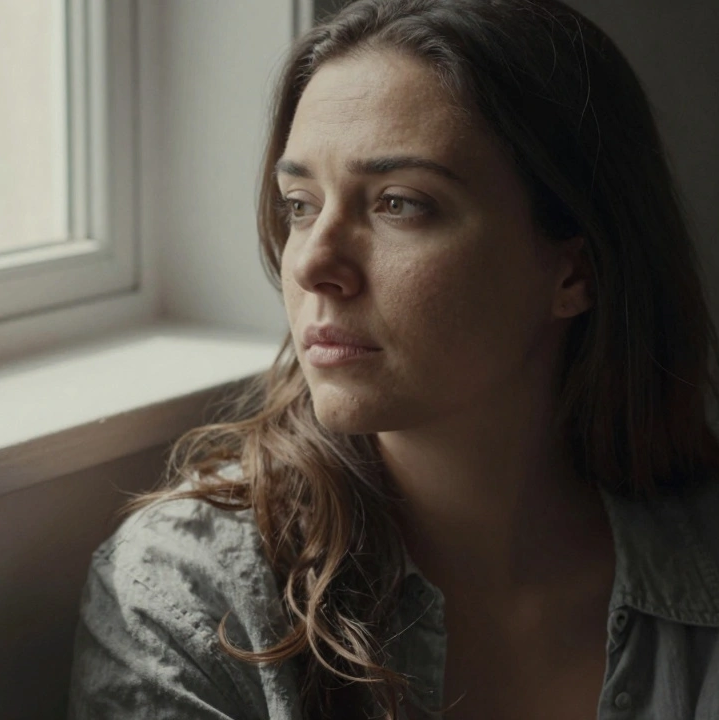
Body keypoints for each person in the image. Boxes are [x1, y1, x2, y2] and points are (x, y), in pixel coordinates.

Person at [67, 0, 719, 718]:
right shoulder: (196, 592)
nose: (314, 263)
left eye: (399, 204)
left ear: (575, 272)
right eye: (299, 204)